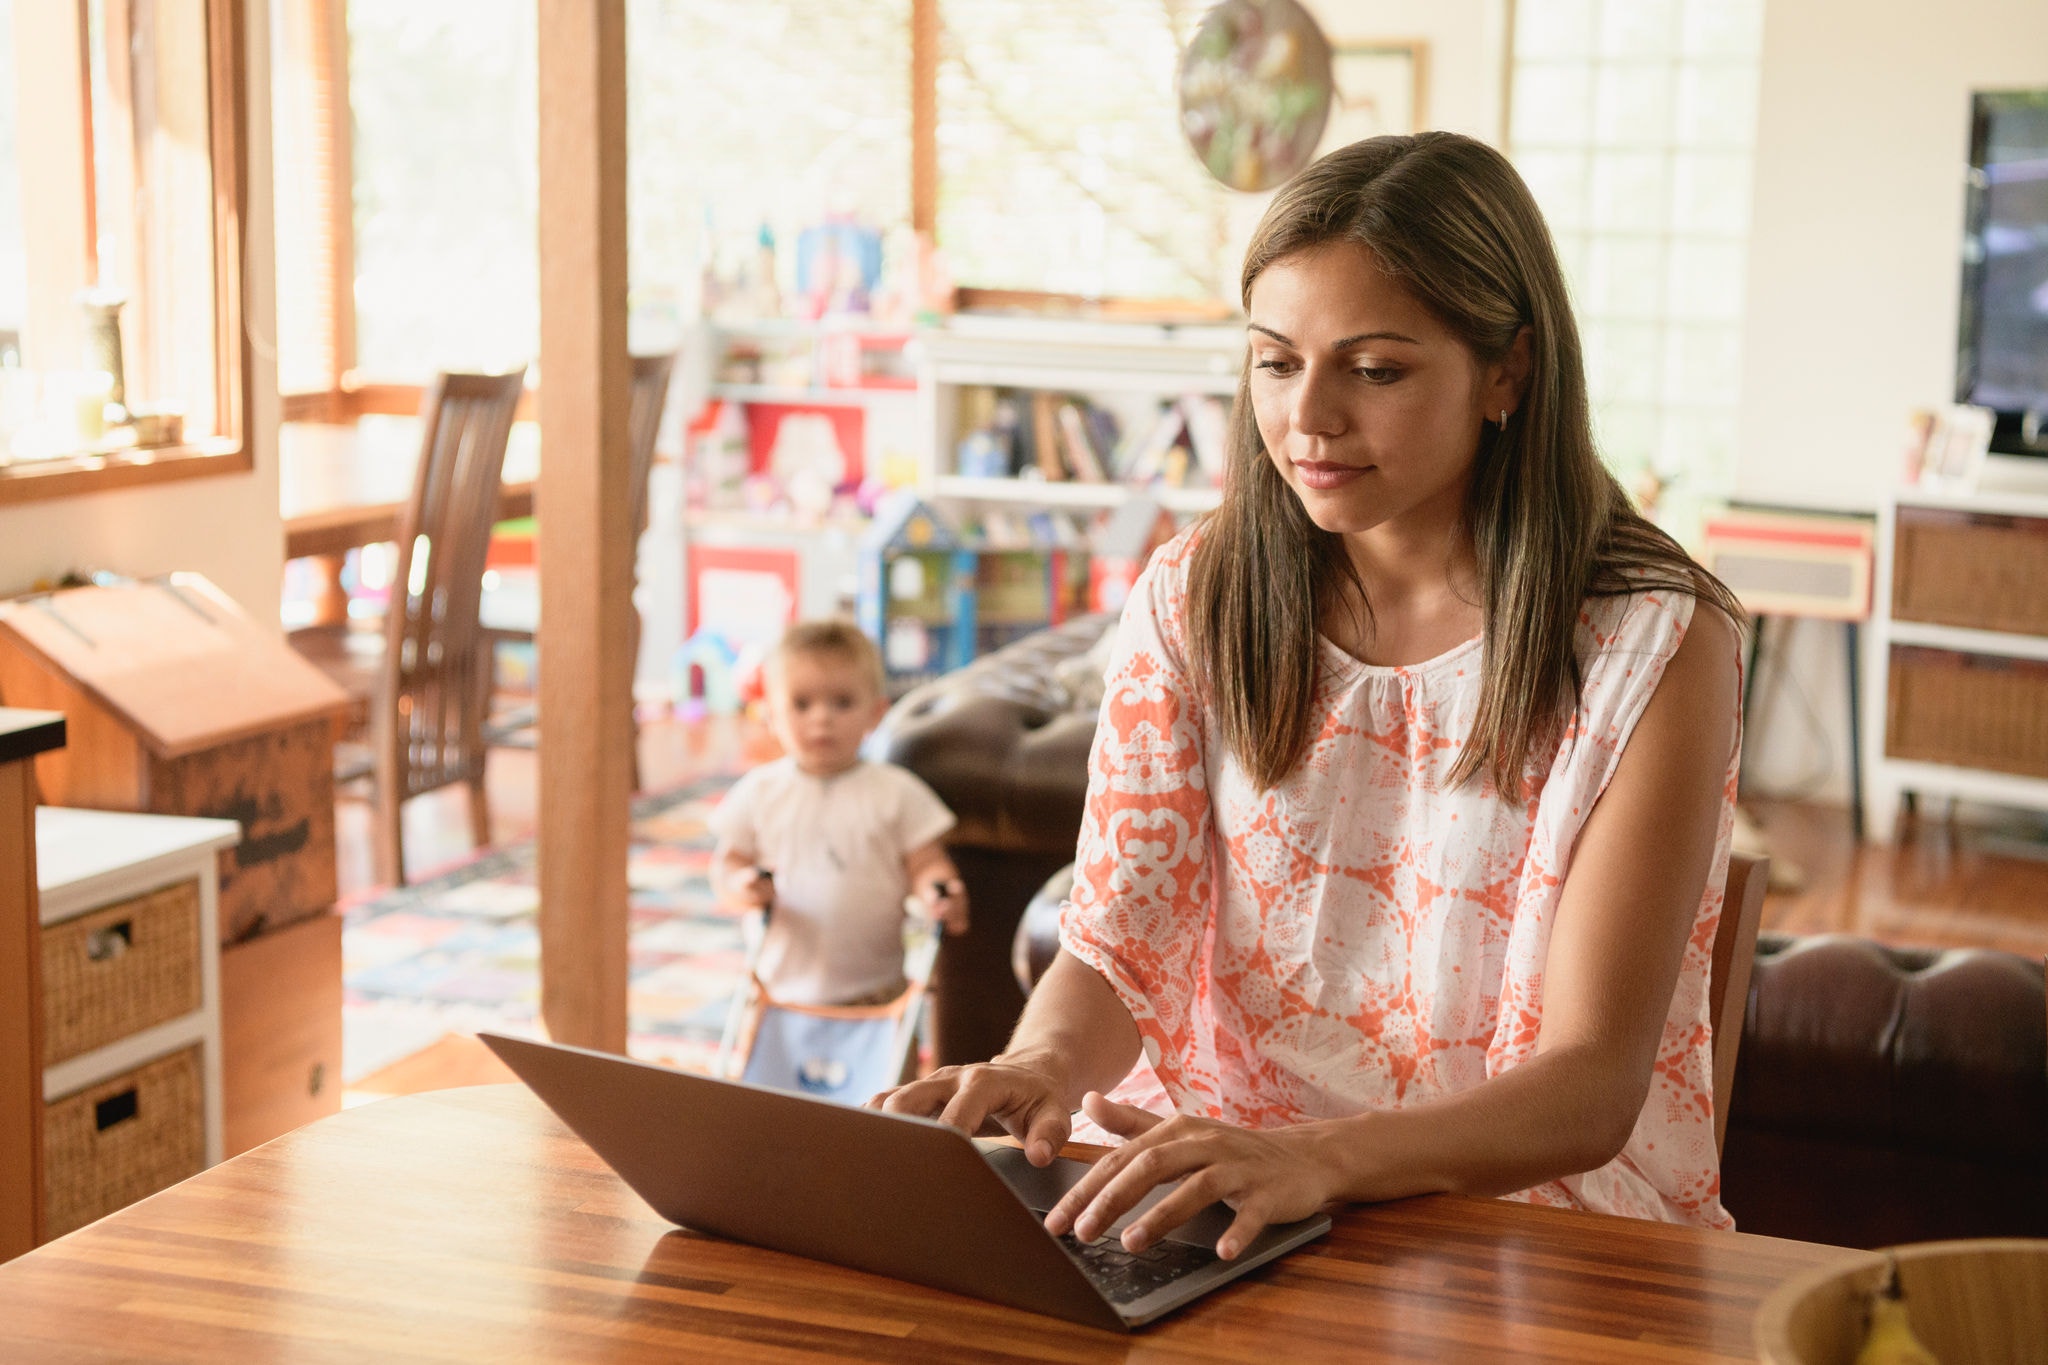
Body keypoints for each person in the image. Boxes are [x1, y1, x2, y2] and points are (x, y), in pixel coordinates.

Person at [874, 131, 1747, 1260]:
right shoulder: (1197, 593)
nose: (1308, 419)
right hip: (1213, 1199)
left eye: (1374, 370)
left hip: (1530, 1233)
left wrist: (1314, 1159)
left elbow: (1588, 1089)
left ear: (1507, 372)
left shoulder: (1655, 641)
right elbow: (1119, 933)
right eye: (1275, 362)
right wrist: (1040, 1062)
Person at [711, 620, 967, 1007]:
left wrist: (938, 889)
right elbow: (728, 864)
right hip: (775, 995)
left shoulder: (898, 793)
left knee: (894, 1069)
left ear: (876, 712)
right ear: (769, 714)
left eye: (842, 702)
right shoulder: (758, 793)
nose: (821, 718)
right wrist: (740, 885)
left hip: (877, 994)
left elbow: (926, 862)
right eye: (802, 704)